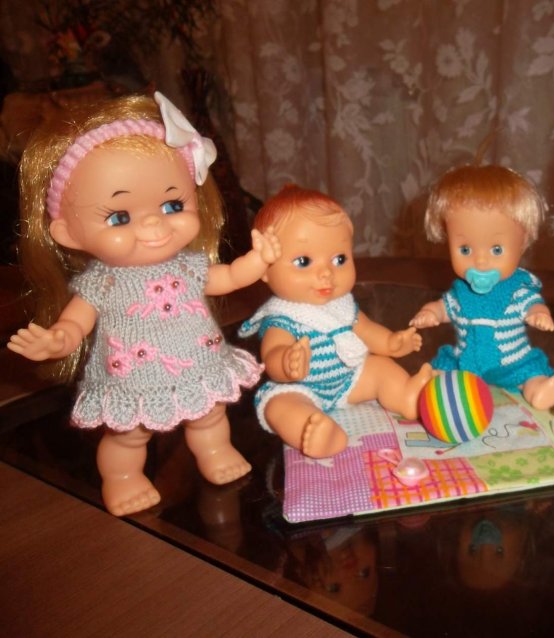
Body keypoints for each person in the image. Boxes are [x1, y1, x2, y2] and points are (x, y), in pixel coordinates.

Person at [7, 92, 280, 515]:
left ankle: (214, 452)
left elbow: (226, 277)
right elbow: (75, 323)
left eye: (173, 205)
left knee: (210, 415)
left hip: (199, 365)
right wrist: (57, 340)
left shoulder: (187, 265)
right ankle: (123, 477)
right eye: (119, 216)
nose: (154, 223)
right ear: (67, 233)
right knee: (128, 435)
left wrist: (257, 262)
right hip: (132, 379)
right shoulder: (103, 282)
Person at [239, 185, 434, 458]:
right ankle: (315, 431)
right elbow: (272, 355)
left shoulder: (344, 306)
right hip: (300, 388)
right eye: (304, 261)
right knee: (279, 408)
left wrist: (391, 342)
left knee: (381, 367)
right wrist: (287, 362)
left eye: (339, 259)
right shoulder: (281, 316)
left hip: (350, 378)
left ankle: (407, 396)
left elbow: (367, 330)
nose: (326, 273)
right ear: (265, 269)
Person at [410, 164, 554, 410]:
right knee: (444, 373)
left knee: (530, 374)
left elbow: (532, 304)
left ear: (522, 243)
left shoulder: (516, 289)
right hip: (467, 364)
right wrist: (430, 313)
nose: (480, 261)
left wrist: (539, 314)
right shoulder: (460, 292)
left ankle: (539, 389)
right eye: (465, 249)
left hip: (512, 364)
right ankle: (433, 387)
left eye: (496, 249)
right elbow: (444, 308)